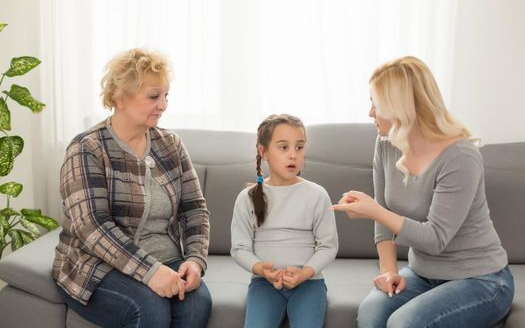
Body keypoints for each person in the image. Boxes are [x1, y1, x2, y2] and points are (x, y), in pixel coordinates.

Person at [332, 56, 514, 327]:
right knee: (371, 311)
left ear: (400, 107)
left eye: (375, 103)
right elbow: (383, 222)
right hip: (423, 275)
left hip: (482, 279)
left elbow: (436, 238)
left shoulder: (460, 155)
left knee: (404, 323)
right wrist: (389, 272)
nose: (370, 112)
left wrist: (374, 210)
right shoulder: (386, 145)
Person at [53, 48, 212, 328]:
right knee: (150, 307)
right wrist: (150, 272)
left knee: (197, 302)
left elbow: (195, 210)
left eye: (166, 96)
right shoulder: (87, 148)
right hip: (96, 265)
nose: (163, 104)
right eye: (154, 96)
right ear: (120, 97)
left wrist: (195, 260)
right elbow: (93, 227)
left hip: (165, 259)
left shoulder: (171, 144)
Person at [230, 114, 338, 328]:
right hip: (264, 284)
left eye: (299, 147)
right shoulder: (247, 198)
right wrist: (261, 269)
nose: (293, 155)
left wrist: (305, 273)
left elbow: (328, 246)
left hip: (309, 283)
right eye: (283, 147)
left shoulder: (317, 194)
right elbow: (239, 248)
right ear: (264, 152)